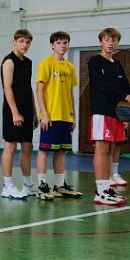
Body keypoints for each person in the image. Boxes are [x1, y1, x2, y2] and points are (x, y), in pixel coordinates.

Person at [88, 28, 130, 206]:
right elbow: (101, 85)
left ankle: (106, 188)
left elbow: (126, 87)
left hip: (116, 112)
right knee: (101, 149)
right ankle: (100, 192)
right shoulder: (95, 62)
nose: (111, 43)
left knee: (110, 152)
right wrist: (127, 97)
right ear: (101, 42)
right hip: (101, 111)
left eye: (114, 40)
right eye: (107, 39)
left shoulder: (117, 64)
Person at [35, 31, 82, 200]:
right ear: (52, 45)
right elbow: (39, 90)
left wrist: (73, 116)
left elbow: (70, 93)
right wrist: (45, 114)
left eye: (65, 42)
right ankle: (41, 185)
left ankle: (60, 184)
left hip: (65, 116)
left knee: (62, 151)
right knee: (44, 150)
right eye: (59, 42)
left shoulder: (70, 67)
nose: (63, 45)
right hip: (51, 116)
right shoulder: (46, 64)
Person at [0, 29, 37, 200]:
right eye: (21, 41)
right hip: (12, 111)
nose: (25, 45)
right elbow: (7, 87)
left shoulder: (28, 62)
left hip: (27, 111)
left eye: (28, 42)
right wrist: (15, 112)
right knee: (11, 146)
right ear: (14, 41)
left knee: (27, 147)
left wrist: (34, 112)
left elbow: (28, 88)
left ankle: (28, 184)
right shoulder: (9, 62)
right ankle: (7, 185)